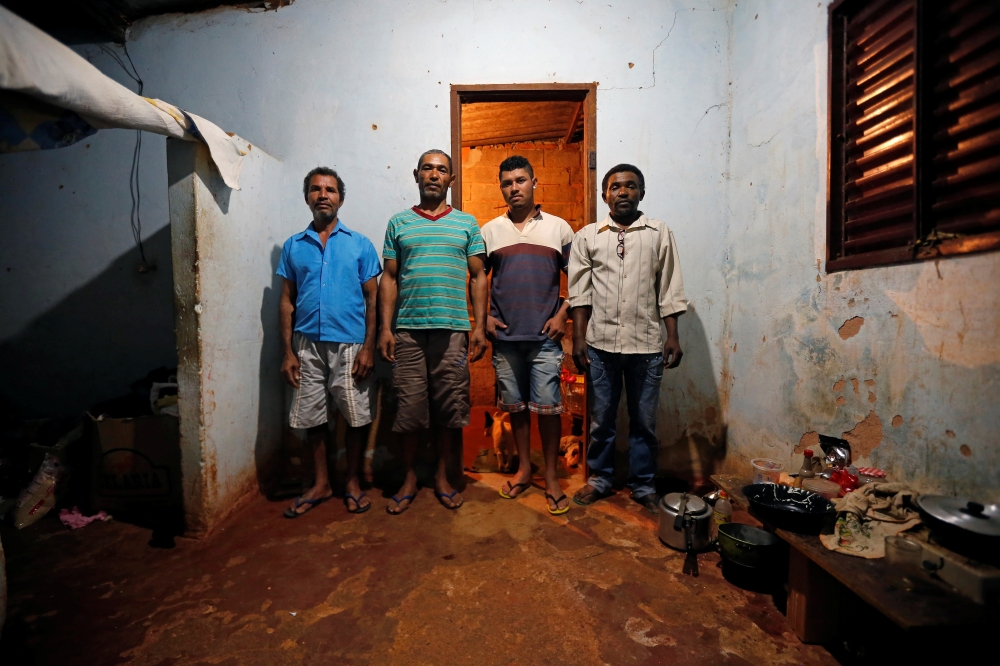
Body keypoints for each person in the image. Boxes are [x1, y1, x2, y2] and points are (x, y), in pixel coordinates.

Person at [567, 164, 687, 514]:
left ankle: (643, 484)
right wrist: (578, 338)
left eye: (631, 187)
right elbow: (579, 293)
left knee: (644, 423)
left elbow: (670, 288)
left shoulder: (658, 233)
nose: (623, 192)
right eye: (616, 187)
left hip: (647, 346)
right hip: (600, 345)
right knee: (601, 419)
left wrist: (673, 336)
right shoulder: (588, 236)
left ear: (642, 193)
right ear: (605, 195)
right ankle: (600, 479)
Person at [378, 149, 489, 514]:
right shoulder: (398, 223)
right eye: (427, 168)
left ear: (451, 180)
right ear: (416, 175)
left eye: (442, 169)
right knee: (408, 411)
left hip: (454, 329)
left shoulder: (467, 224)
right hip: (408, 331)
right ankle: (410, 477)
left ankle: (442, 477)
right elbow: (389, 278)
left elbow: (478, 276)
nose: (434, 174)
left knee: (448, 409)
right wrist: (385, 329)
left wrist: (479, 327)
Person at [277, 167, 382, 517]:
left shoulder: (360, 244)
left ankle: (351, 481)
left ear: (341, 198)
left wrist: (368, 347)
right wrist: (288, 351)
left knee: (355, 417)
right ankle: (322, 483)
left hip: (351, 345)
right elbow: (286, 301)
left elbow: (373, 299)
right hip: (306, 344)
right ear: (307, 196)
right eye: (316, 189)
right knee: (313, 417)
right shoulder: (294, 246)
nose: (323, 195)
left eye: (331, 190)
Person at [480, 155, 574, 515]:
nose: (513, 188)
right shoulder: (489, 231)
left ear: (535, 183)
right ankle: (523, 470)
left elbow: (579, 280)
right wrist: (483, 318)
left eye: (520, 180)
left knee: (548, 410)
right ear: (501, 187)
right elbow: (476, 280)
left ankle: (550, 477)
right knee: (516, 408)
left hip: (544, 339)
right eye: (507, 183)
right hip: (505, 339)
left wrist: (562, 315)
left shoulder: (558, 228)